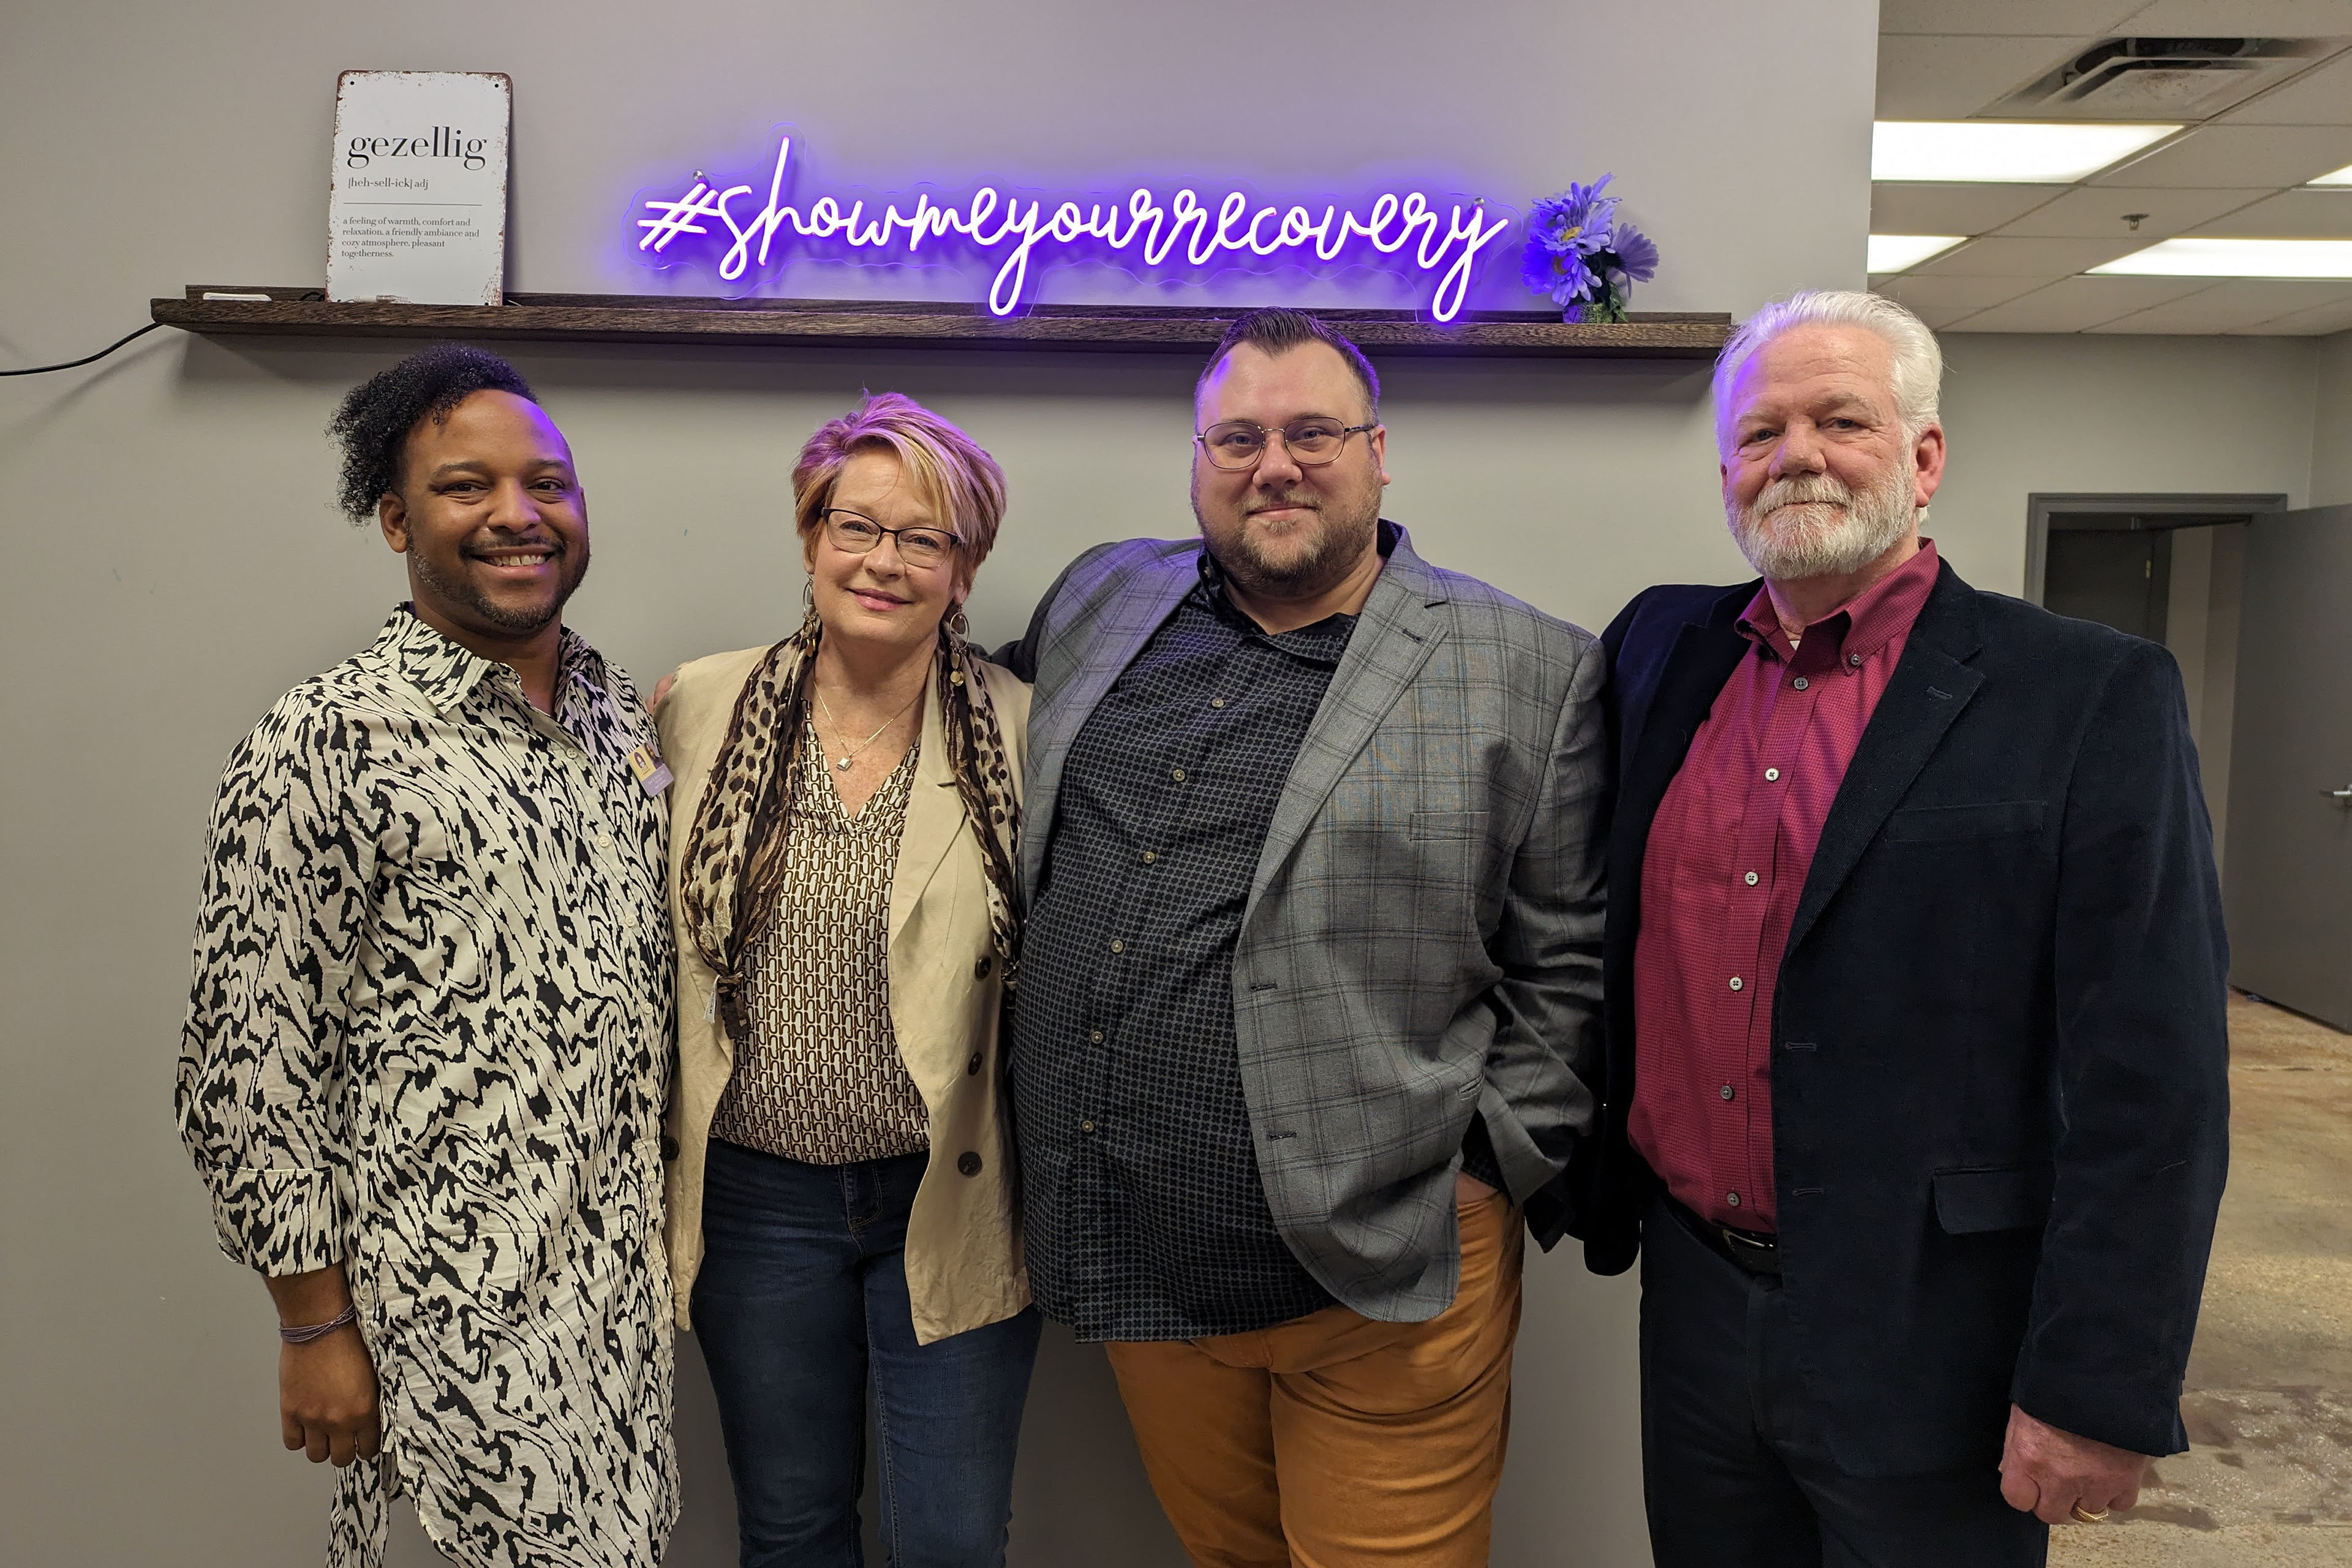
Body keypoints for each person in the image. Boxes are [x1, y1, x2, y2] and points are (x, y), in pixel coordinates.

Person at [1575, 289, 2231, 1566]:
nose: (1797, 455)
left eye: (1841, 419)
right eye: (1760, 432)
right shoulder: (1663, 648)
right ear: (1726, 469)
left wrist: (2095, 1384)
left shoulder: (2085, 692)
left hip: (1939, 1330)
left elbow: (2151, 1075)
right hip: (1696, 1302)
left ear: (1924, 457)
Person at [994, 306, 1607, 1568]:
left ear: (1380, 453)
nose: (1274, 463)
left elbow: (1572, 962)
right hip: (1139, 1253)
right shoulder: (1102, 597)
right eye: (1240, 437)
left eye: (1313, 432)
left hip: (1381, 1275)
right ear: (1200, 461)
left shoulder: (1527, 666)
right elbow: (961, 715)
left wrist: (1489, 1168)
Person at [176, 345, 678, 1568]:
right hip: (443, 1330)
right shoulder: (327, 737)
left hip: (620, 1311)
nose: (519, 514)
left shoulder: (616, 711)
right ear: (396, 516)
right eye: (468, 486)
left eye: (548, 482)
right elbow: (242, 1064)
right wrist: (312, 1324)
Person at [655, 393, 1038, 1568]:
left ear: (966, 569)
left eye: (925, 538)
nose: (884, 561)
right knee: (792, 1528)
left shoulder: (1027, 733)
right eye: (855, 525)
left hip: (948, 1190)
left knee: (953, 1545)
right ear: (811, 536)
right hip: (757, 1203)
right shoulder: (696, 709)